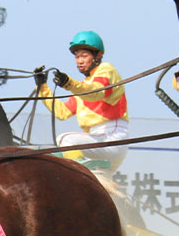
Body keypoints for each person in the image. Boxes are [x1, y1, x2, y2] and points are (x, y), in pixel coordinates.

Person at [34, 31, 129, 173]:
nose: (80, 61)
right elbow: (62, 112)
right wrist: (42, 88)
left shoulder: (106, 70)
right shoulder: (83, 86)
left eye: (84, 56)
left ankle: (81, 174)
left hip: (111, 136)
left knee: (66, 140)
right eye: (77, 57)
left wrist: (69, 84)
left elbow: (96, 92)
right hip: (98, 141)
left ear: (98, 55)